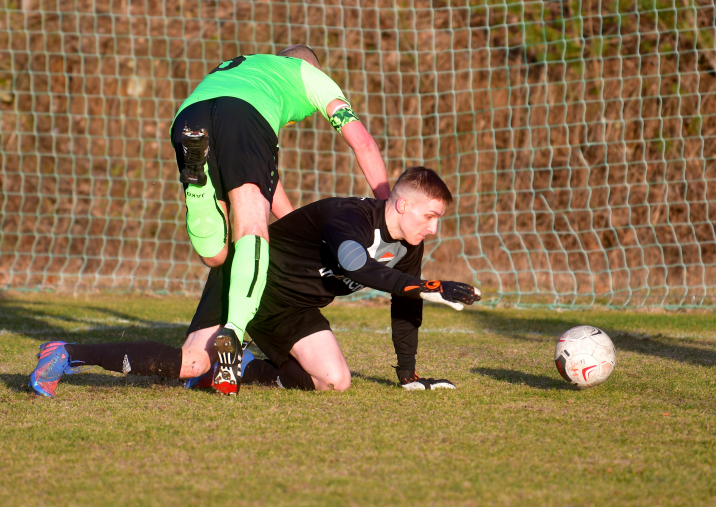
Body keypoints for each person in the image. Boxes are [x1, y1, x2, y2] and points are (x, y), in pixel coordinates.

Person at [29, 167, 481, 397]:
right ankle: (68, 354)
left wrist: (408, 374)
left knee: (334, 381)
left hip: (292, 308)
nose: (434, 228)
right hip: (246, 282)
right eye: (431, 216)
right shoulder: (351, 217)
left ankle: (244, 366)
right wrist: (428, 287)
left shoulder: (408, 241)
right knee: (191, 365)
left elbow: (403, 302)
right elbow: (355, 265)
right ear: (401, 206)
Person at [171, 45, 390, 391]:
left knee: (215, 254)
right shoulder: (309, 75)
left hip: (188, 117)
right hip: (243, 116)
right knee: (252, 230)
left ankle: (198, 190)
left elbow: (269, 183)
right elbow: (362, 142)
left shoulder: (249, 68)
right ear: (309, 66)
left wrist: (296, 225)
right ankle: (235, 332)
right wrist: (386, 207)